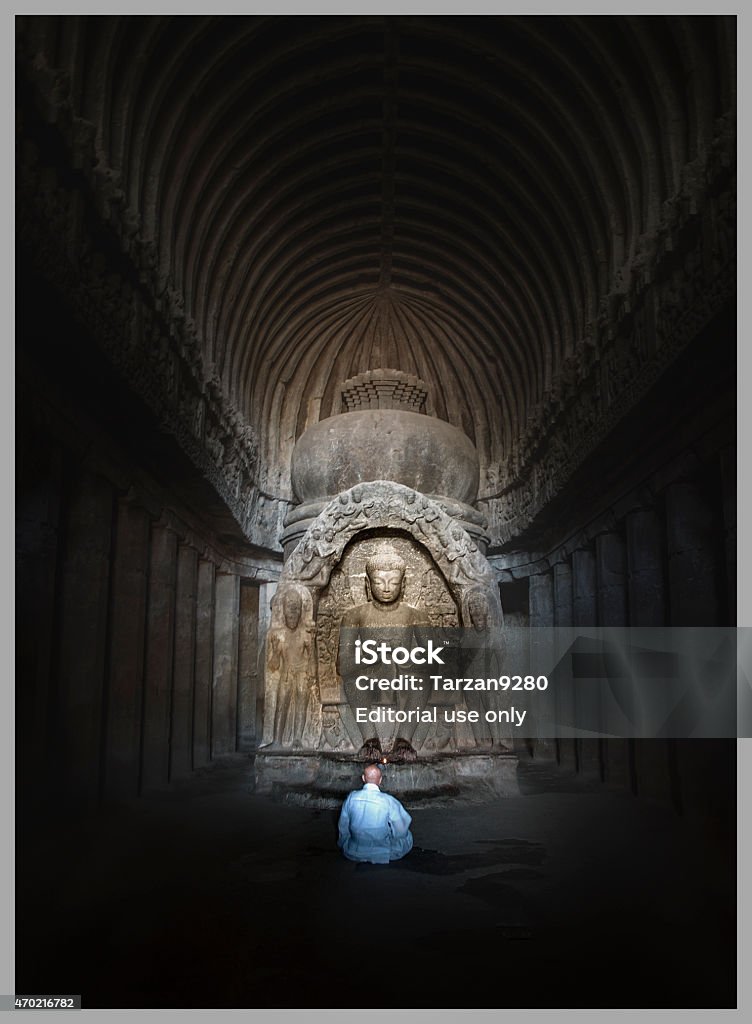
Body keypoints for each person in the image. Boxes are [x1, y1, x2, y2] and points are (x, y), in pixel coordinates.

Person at [337, 764, 414, 864]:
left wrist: (343, 842)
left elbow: (343, 825)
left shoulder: (351, 798)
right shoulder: (388, 800)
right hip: (382, 852)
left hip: (354, 851)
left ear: (363, 778)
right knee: (408, 836)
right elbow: (401, 830)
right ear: (380, 780)